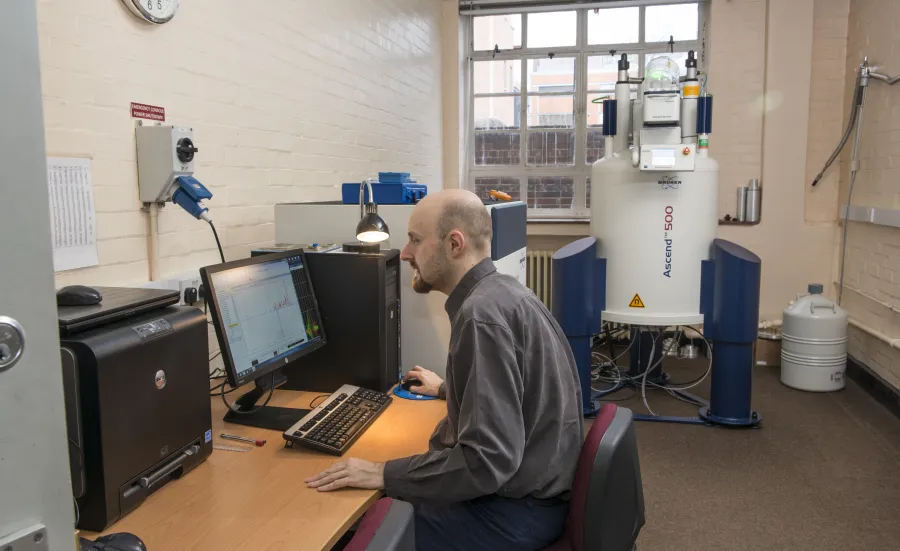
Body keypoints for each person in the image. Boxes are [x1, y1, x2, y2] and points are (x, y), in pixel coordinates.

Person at [307, 189, 583, 551]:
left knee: (365, 531)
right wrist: (445, 390)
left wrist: (380, 472)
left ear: (454, 244)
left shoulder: (480, 317)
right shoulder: (504, 292)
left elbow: (486, 463)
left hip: (516, 512)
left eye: (415, 240)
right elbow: (522, 394)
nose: (404, 253)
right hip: (540, 493)